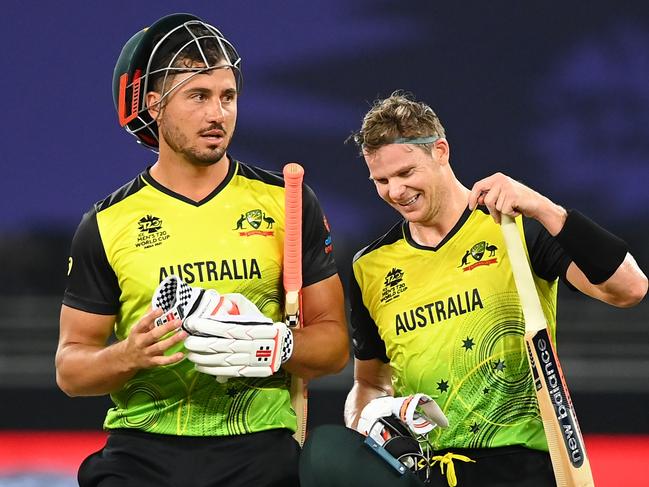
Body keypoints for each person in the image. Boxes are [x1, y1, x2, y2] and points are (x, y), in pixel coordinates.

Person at [55, 13, 349, 487]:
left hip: (259, 447)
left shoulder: (288, 202)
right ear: (154, 105)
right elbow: (71, 369)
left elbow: (335, 346)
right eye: (198, 96)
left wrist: (276, 346)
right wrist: (128, 355)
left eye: (227, 97)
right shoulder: (106, 223)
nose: (218, 114)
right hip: (141, 450)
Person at [330, 91, 646, 486]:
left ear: (440, 151)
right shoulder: (370, 266)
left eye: (406, 173)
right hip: (425, 473)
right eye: (381, 180)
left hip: (524, 467)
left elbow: (628, 288)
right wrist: (369, 418)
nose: (395, 191)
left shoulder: (514, 226)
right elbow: (371, 383)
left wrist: (544, 208)